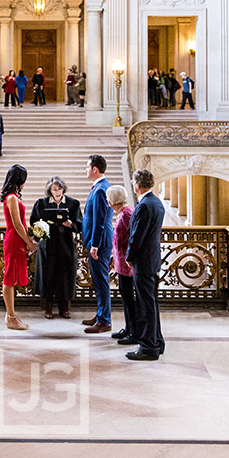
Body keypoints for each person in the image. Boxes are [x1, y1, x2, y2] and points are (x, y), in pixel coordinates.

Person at [125, 168, 165, 361]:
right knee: (151, 302)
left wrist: (129, 256)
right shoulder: (156, 202)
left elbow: (137, 236)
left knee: (145, 304)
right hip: (152, 259)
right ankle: (157, 341)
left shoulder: (144, 205)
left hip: (144, 260)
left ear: (137, 185)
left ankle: (148, 347)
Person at [30, 176, 83, 319]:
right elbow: (33, 222)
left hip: (65, 243)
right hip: (48, 244)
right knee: (48, 274)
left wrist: (71, 224)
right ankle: (47, 308)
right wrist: (42, 227)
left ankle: (64, 308)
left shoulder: (73, 203)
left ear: (63, 189)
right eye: (54, 189)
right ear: (50, 190)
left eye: (59, 189)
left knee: (65, 275)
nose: (57, 192)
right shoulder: (41, 203)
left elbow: (80, 224)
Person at [1, 164, 38, 329]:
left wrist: (27, 238)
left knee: (12, 277)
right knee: (9, 278)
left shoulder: (14, 196)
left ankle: (12, 315)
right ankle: (10, 316)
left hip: (17, 239)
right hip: (13, 240)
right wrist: (29, 242)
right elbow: (16, 223)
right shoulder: (11, 198)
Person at [81, 154, 113, 333]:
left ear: (95, 169)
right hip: (96, 240)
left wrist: (95, 244)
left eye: (87, 167)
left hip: (99, 242)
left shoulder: (101, 189)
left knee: (101, 280)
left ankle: (104, 321)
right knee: (98, 280)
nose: (85, 170)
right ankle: (101, 314)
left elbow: (100, 220)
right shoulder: (99, 187)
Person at [107, 184, 137, 345]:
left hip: (127, 264)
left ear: (113, 200)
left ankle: (134, 331)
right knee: (126, 297)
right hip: (122, 262)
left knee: (129, 298)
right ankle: (128, 327)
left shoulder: (126, 215)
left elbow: (132, 239)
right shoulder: (124, 213)